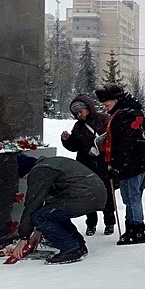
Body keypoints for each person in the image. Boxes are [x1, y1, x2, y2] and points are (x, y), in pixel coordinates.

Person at [13, 154, 107, 265]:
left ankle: (71, 249)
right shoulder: (50, 164)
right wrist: (38, 231)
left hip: (83, 195)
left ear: (29, 171)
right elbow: (51, 204)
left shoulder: (39, 171)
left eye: (26, 178)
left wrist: (24, 237)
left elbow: (33, 204)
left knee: (39, 216)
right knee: (54, 214)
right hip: (94, 193)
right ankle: (79, 246)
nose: (28, 181)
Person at [95, 83, 145, 245]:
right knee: (132, 196)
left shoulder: (124, 115)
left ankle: (136, 230)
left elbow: (125, 144)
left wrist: (115, 164)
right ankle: (133, 229)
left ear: (116, 100)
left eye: (107, 104)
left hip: (131, 164)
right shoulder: (130, 111)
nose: (105, 108)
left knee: (132, 197)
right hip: (136, 162)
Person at [60, 94, 116, 236]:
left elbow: (113, 138)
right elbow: (74, 146)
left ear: (88, 108)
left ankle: (109, 222)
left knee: (107, 193)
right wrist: (66, 140)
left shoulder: (104, 119)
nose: (79, 115)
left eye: (80, 111)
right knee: (88, 194)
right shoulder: (78, 126)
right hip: (85, 165)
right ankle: (91, 223)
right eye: (76, 113)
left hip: (103, 163)